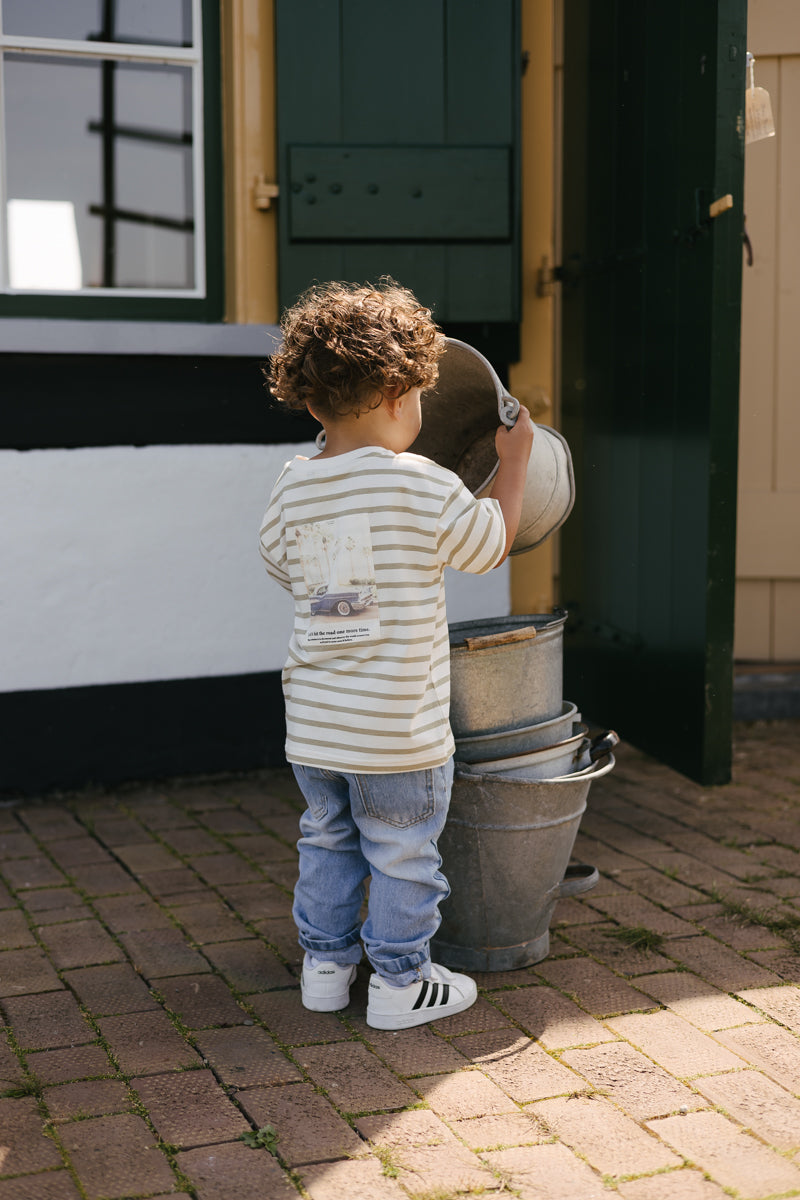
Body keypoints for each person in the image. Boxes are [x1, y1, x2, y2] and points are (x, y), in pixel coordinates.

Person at [259, 278, 534, 1030]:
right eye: (418, 395)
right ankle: (401, 983)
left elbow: (282, 565)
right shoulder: (421, 483)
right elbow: (488, 546)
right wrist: (515, 465)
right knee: (404, 853)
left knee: (328, 840)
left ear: (312, 403)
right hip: (397, 733)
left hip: (316, 728)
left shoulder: (292, 486)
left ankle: (324, 967)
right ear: (393, 391)